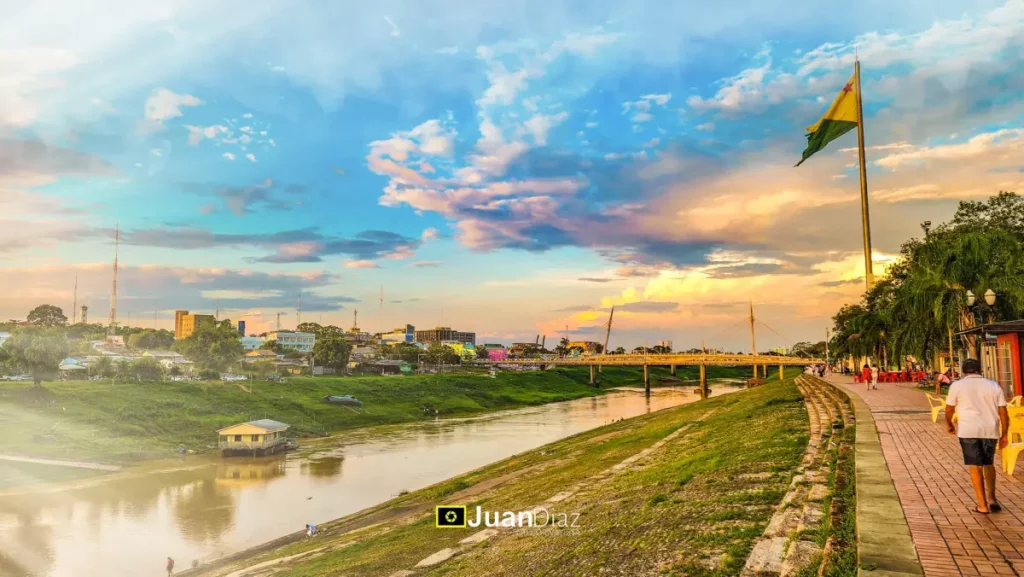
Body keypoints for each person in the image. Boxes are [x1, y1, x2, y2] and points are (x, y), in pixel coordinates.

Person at [945, 359, 1009, 514]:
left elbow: (949, 409)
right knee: (988, 463)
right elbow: (1003, 412)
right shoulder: (993, 385)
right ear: (980, 370)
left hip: (968, 430)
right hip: (990, 430)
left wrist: (949, 424)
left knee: (975, 466)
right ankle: (992, 499)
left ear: (963, 371)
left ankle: (982, 505)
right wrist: (1005, 433)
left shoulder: (957, 386)